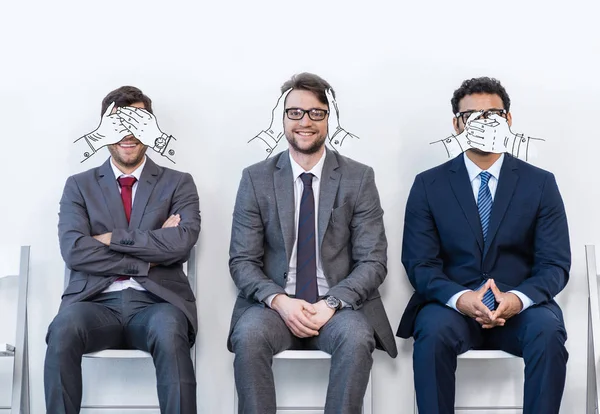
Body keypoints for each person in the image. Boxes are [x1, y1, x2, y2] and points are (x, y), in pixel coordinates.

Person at [398, 77, 571, 414]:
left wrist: (515, 300)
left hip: (522, 308)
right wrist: (461, 299)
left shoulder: (540, 184)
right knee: (431, 333)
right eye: (471, 117)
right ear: (456, 125)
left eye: (492, 115)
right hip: (453, 307)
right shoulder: (428, 185)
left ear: (507, 120)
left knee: (549, 332)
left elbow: (555, 264)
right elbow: (420, 263)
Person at [228, 72, 397, 414]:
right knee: (248, 337)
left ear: (328, 118)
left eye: (316, 112)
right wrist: (280, 301)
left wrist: (332, 303)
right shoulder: (255, 178)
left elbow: (373, 261)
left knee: (355, 338)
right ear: (284, 118)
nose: (305, 121)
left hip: (336, 307)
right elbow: (242, 261)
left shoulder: (358, 177)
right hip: (274, 308)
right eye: (295, 112)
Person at [44, 86, 200, 414]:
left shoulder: (179, 183)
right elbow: (74, 251)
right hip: (94, 304)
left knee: (172, 333)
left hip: (158, 305)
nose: (128, 132)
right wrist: (151, 252)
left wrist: (108, 238)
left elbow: (182, 242)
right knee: (62, 330)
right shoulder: (79, 185)